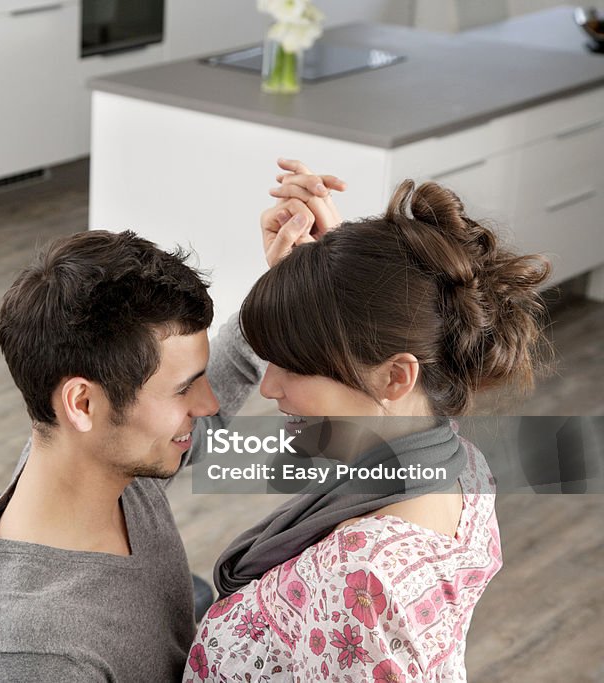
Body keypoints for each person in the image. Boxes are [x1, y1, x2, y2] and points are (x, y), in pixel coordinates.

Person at [185, 164, 551, 681]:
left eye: (297, 364)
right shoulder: (454, 465)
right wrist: (323, 282)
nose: (268, 387)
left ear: (396, 378)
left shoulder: (362, 577)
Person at [0, 228, 277, 681]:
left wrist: (278, 287)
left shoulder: (95, 459)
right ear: (82, 404)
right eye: (184, 388)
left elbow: (198, 420)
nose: (207, 405)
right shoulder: (32, 658)